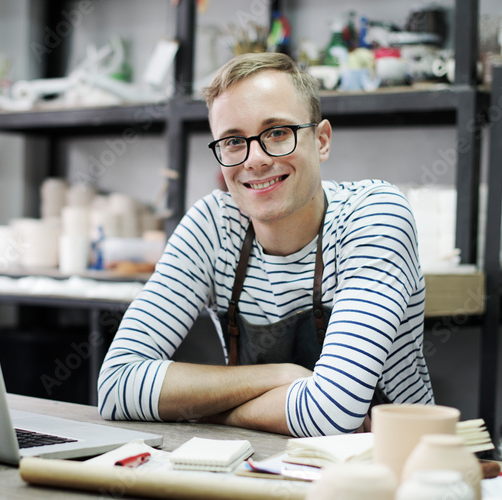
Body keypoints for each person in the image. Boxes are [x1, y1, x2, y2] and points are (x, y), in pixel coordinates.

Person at [96, 52, 433, 437]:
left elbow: (334, 413)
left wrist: (203, 410)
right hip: (261, 465)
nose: (254, 160)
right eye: (234, 141)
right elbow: (115, 387)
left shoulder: (373, 216)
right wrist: (281, 376)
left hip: (392, 472)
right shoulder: (214, 227)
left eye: (276, 133)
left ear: (321, 140)